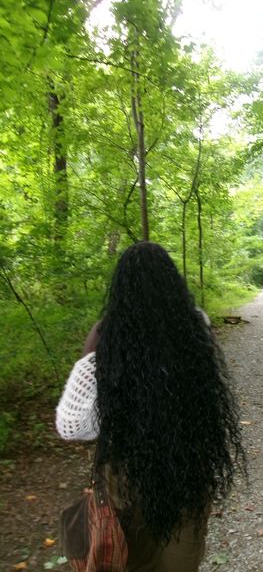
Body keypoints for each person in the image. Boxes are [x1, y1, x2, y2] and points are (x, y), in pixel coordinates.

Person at [56, 241, 245, 572]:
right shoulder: (195, 325)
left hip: (128, 476)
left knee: (134, 562)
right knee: (181, 562)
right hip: (189, 469)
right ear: (171, 281)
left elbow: (71, 425)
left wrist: (119, 411)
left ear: (121, 286)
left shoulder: (105, 335)